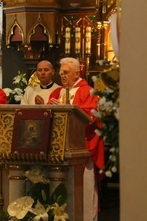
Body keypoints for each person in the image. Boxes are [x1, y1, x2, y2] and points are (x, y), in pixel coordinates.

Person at [48, 57, 104, 221]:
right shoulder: (57, 92)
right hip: (59, 146)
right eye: (61, 73)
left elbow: (90, 117)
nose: (62, 76)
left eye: (66, 72)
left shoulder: (87, 91)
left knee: (85, 188)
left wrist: (65, 109)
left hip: (83, 146)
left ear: (77, 73)